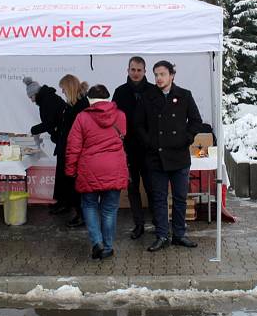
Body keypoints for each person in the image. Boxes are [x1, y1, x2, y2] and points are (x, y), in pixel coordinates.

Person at [135, 60, 203, 252]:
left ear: (172, 75)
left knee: (180, 198)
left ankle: (179, 235)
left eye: (162, 74)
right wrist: (149, 142)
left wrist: (186, 138)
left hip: (179, 156)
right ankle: (162, 235)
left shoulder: (184, 95)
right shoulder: (147, 97)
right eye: (156, 74)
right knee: (159, 198)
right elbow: (138, 124)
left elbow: (196, 121)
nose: (158, 78)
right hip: (156, 156)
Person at [65, 84, 128, 259]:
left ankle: (97, 243)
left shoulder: (81, 117)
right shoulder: (121, 116)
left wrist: (70, 170)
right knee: (109, 209)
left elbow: (73, 147)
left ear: (89, 100)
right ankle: (107, 247)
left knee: (90, 205)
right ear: (108, 98)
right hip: (114, 167)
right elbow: (122, 136)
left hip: (89, 169)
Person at [112, 56, 156, 240]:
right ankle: (138, 224)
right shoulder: (120, 92)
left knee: (153, 188)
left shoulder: (154, 91)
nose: (136, 73)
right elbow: (113, 120)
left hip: (150, 149)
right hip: (128, 149)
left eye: (139, 70)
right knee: (132, 189)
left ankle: (158, 223)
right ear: (127, 70)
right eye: (133, 69)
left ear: (145, 71)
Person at [24, 77, 68, 214]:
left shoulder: (47, 101)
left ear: (36, 94)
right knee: (61, 172)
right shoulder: (48, 98)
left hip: (65, 139)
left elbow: (49, 123)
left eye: (31, 97)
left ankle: (64, 203)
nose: (31, 100)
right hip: (62, 138)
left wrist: (33, 130)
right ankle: (61, 202)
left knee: (63, 173)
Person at [57, 74, 90, 228]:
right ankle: (79, 213)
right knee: (72, 183)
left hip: (76, 151)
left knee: (76, 184)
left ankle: (81, 215)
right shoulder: (73, 105)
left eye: (63, 89)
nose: (62, 92)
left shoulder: (80, 105)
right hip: (70, 149)